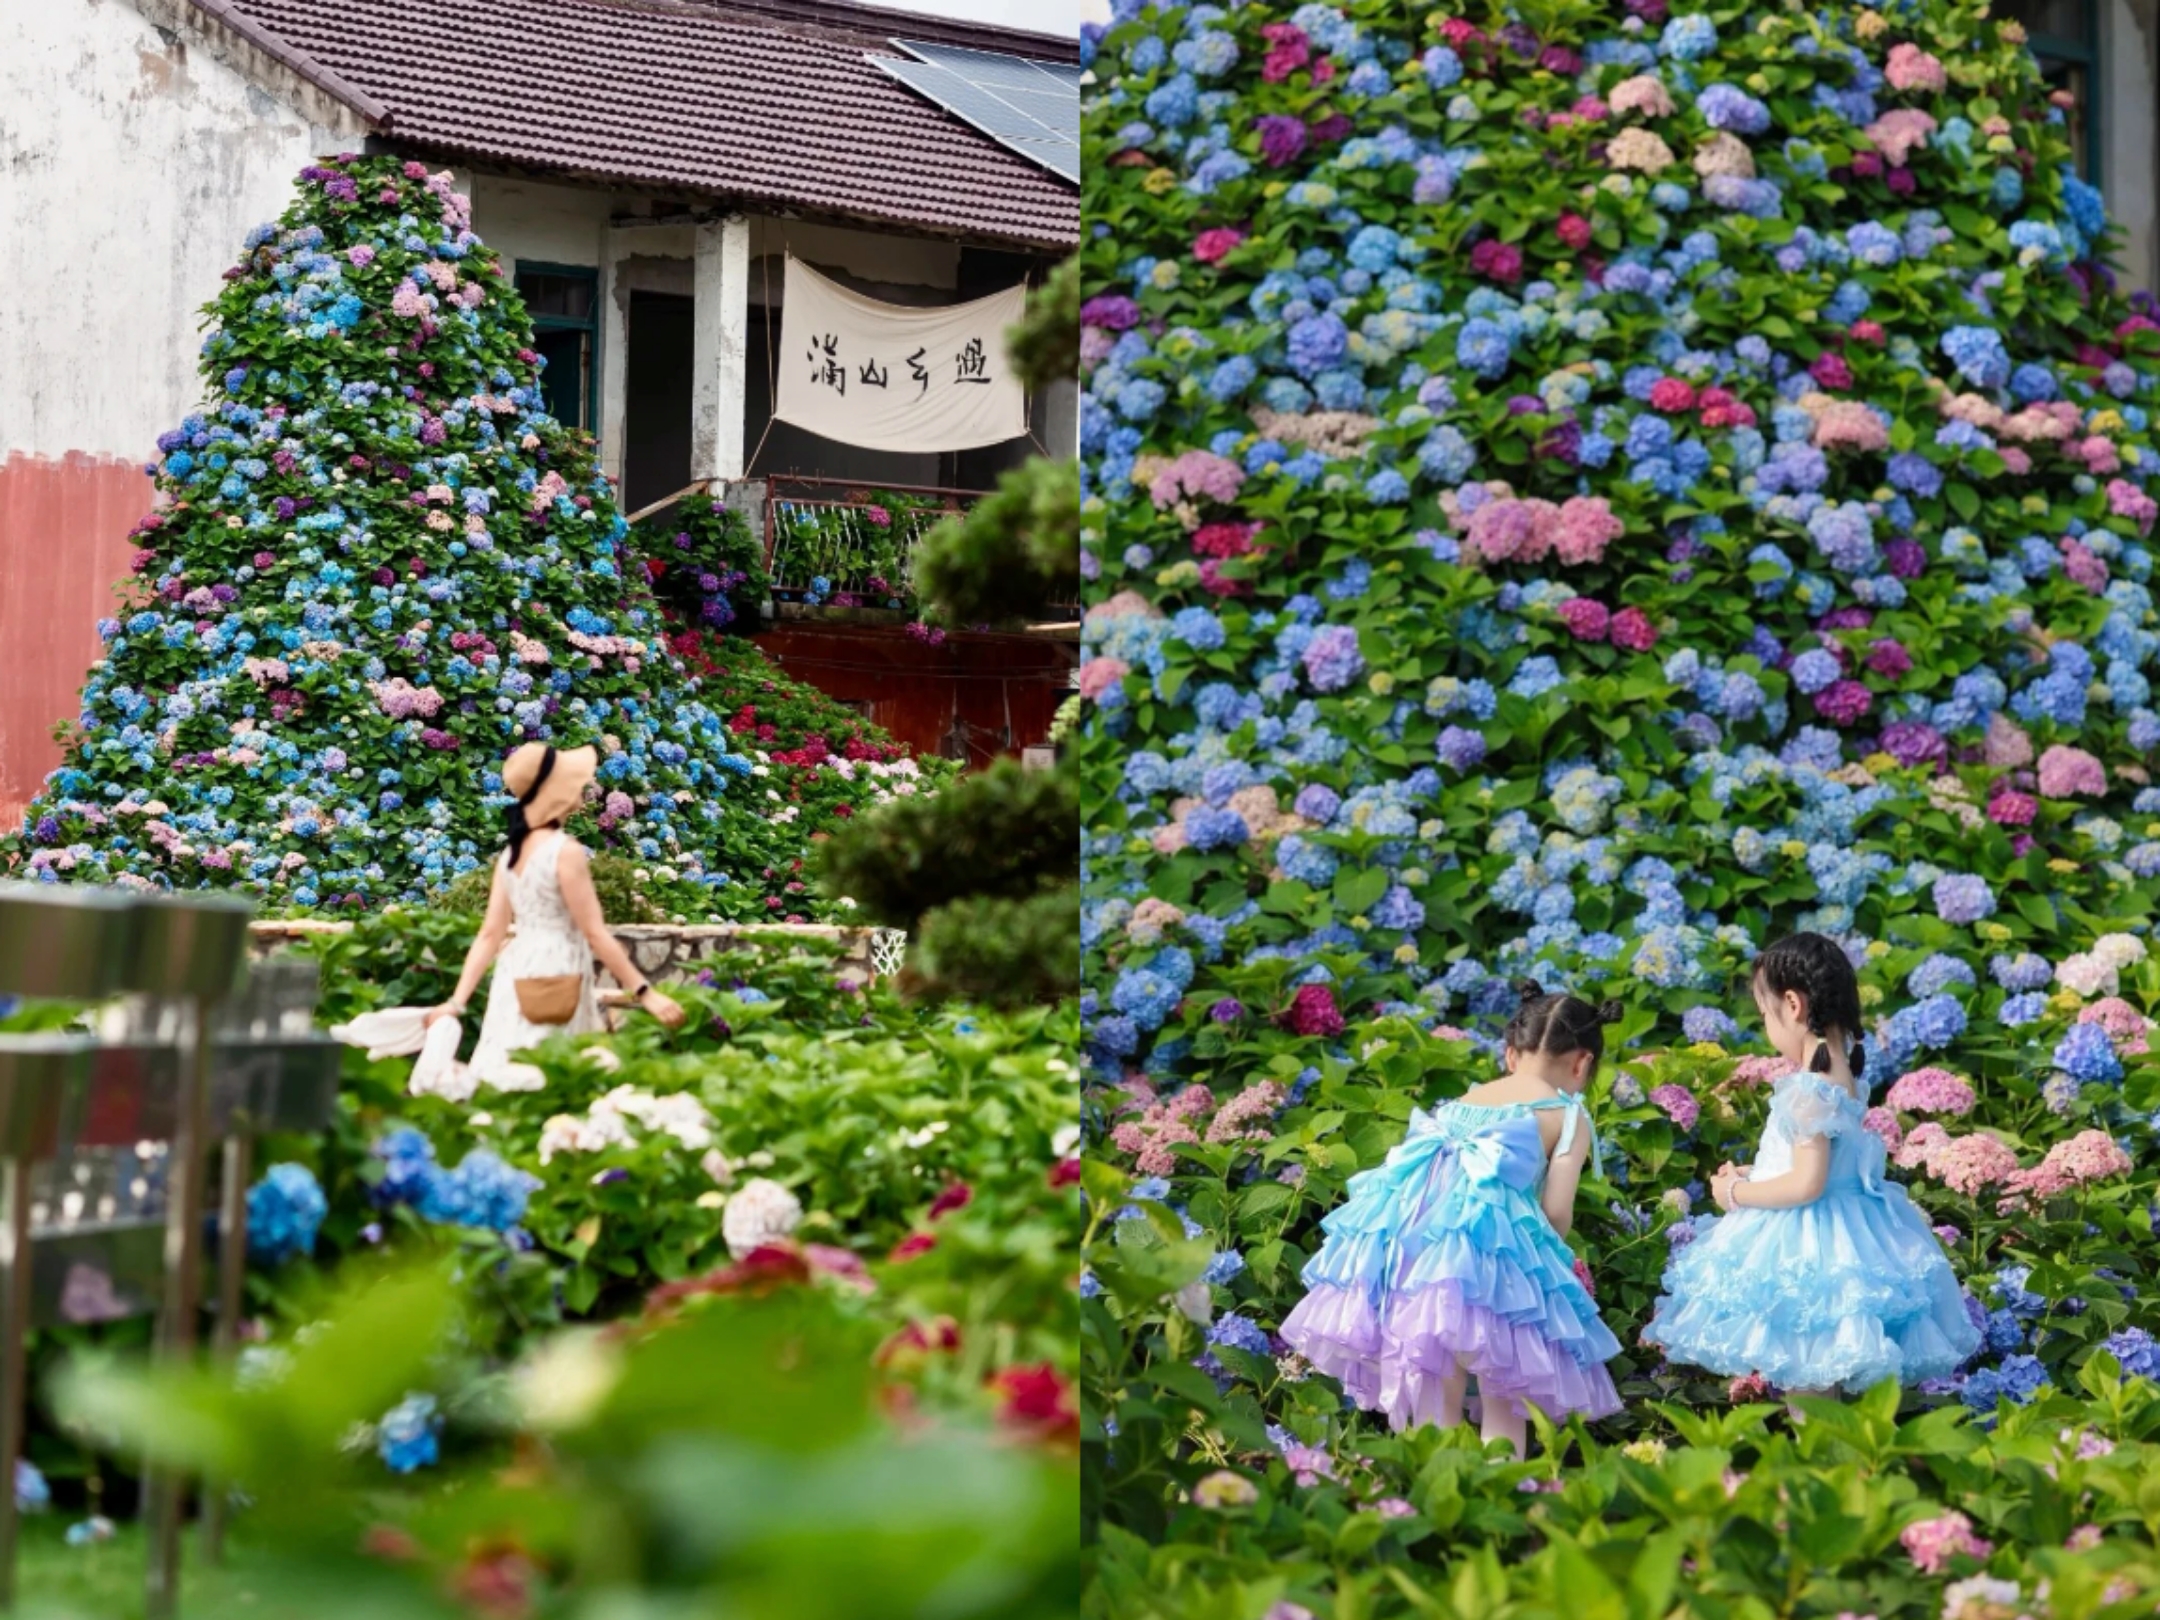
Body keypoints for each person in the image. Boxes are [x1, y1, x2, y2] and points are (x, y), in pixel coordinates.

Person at [1279, 982, 1624, 1456]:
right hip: (1495, 1260)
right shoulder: (1566, 1115)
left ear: (1510, 1054)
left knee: (1435, 1374)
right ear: (1583, 1063)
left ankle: (1431, 1489)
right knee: (1506, 1384)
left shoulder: (1467, 1100)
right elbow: (1557, 1211)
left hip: (1413, 1251)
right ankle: (1501, 1488)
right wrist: (1548, 1264)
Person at [1644, 931, 1978, 1397]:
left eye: (1765, 1014)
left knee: (1810, 1378)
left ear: (1793, 1005)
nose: (1767, 1026)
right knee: (1820, 1381)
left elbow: (1807, 1183)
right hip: (1855, 1232)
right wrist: (1756, 1174)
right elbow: (1823, 1163)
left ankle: (1816, 1464)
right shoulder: (1841, 1073)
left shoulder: (1809, 1085)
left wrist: (1733, 1194)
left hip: (1810, 1242)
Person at [425, 742, 683, 1087]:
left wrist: (456, 1002)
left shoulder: (510, 856)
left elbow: (490, 934)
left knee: (507, 1069)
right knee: (552, 1074)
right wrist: (645, 993)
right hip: (557, 969)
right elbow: (594, 932)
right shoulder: (564, 851)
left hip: (514, 974)